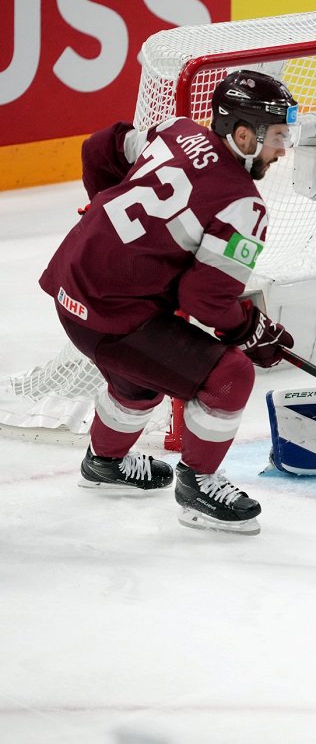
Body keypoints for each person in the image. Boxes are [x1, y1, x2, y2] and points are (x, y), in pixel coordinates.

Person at [38, 69, 299, 536]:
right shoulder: (244, 204)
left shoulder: (176, 132)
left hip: (70, 287)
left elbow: (99, 146)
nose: (284, 149)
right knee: (230, 375)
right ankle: (198, 487)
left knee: (140, 378)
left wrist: (106, 211)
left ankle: (104, 463)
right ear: (244, 134)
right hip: (113, 313)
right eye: (278, 136)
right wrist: (253, 331)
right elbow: (205, 299)